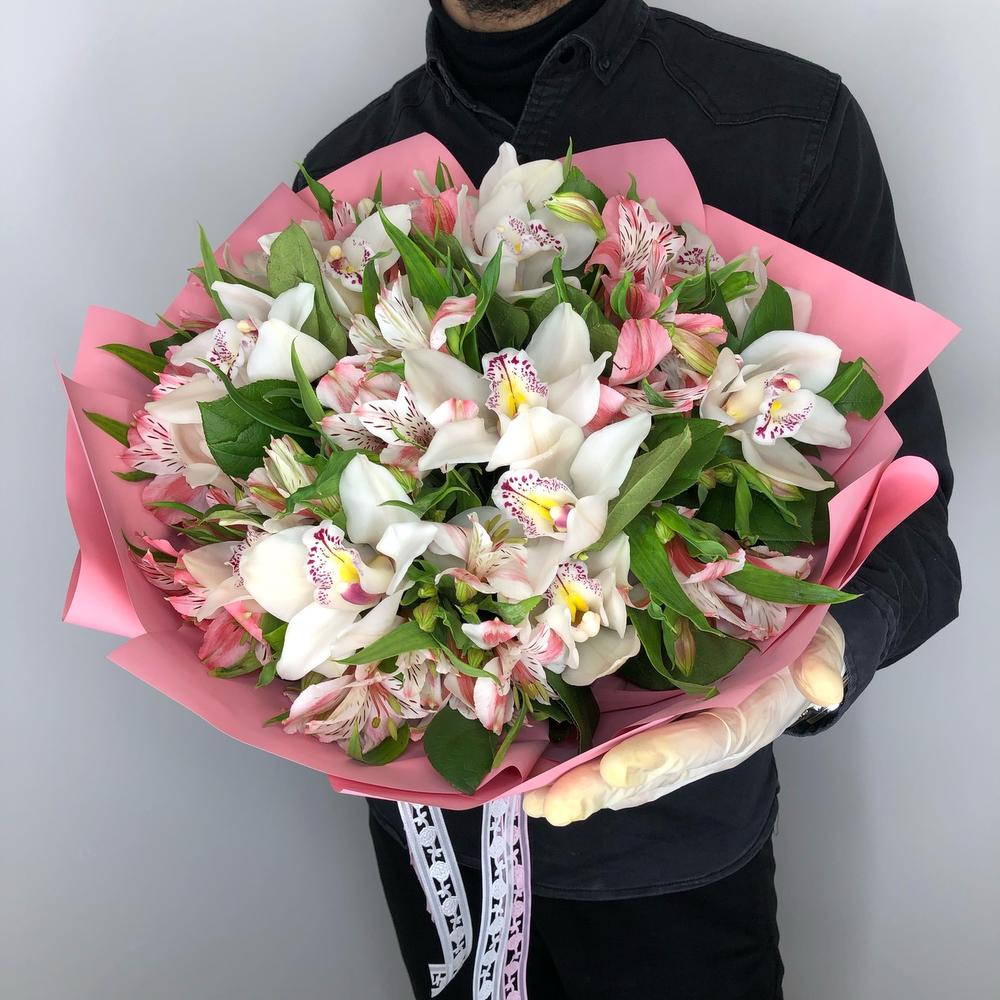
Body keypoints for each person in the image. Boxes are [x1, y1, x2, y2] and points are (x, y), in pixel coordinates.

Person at [293, 2, 961, 997]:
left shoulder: (784, 126)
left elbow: (911, 528)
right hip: (437, 853)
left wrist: (806, 665)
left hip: (673, 861)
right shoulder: (343, 177)